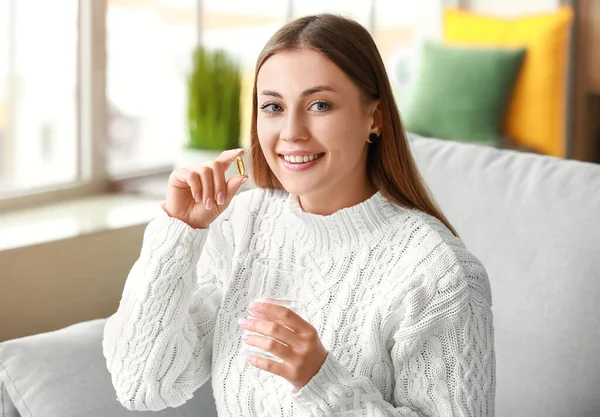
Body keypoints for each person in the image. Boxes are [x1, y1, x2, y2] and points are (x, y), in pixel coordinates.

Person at [102, 13, 495, 417]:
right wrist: (179, 231)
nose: (291, 131)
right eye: (273, 106)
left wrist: (321, 382)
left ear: (373, 119)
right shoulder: (242, 226)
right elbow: (143, 387)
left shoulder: (439, 272)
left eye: (320, 105)